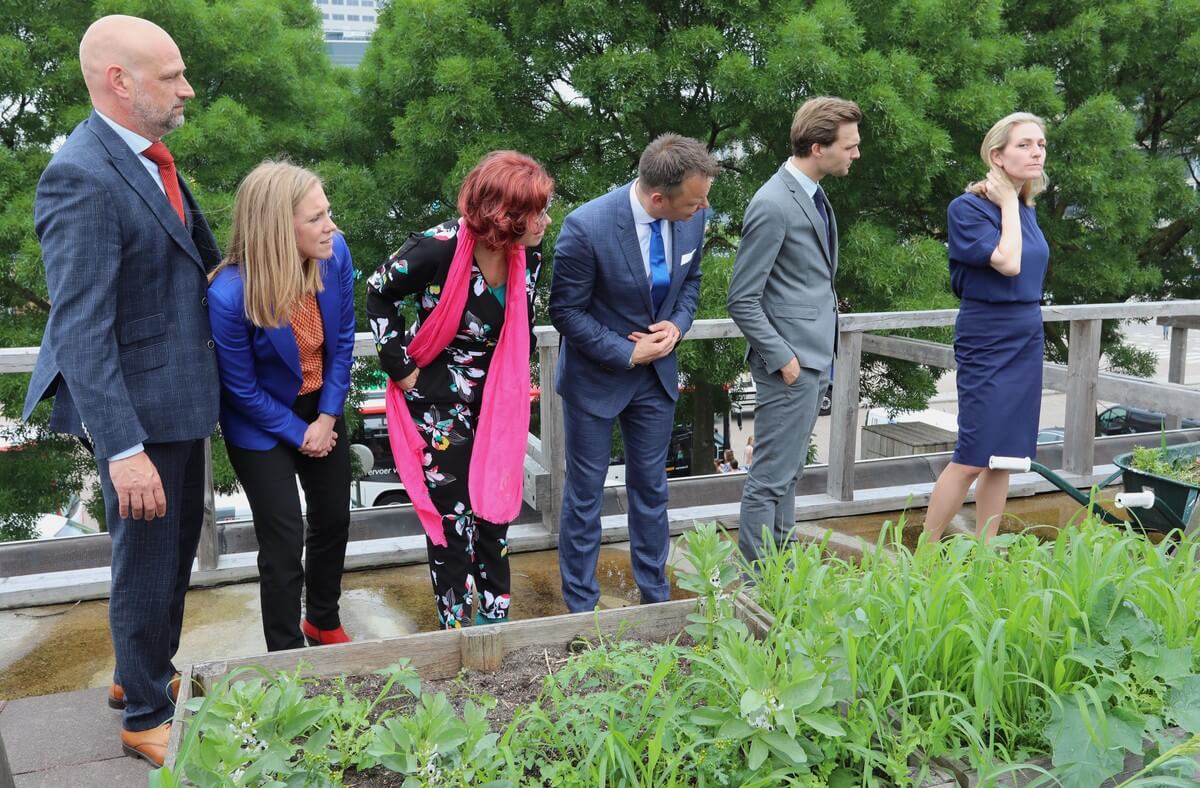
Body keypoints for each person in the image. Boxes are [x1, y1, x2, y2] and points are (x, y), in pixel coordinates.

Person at [20, 15, 220, 766]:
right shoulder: (79, 172)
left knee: (167, 559)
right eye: (172, 76)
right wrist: (123, 447)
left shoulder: (146, 159)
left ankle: (146, 675)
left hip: (174, 396)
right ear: (118, 81)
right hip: (134, 411)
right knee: (147, 564)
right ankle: (142, 714)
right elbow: (80, 329)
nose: (187, 88)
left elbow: (188, 262)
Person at [366, 151, 552, 628]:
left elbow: (518, 325)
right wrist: (399, 365)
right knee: (453, 521)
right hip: (437, 402)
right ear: (505, 216)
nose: (547, 220)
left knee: (493, 512)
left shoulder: (528, 255)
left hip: (496, 401)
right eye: (538, 211)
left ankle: (494, 624)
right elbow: (378, 291)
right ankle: (456, 630)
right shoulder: (438, 248)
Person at [551, 134, 715, 613]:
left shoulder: (694, 217)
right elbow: (566, 313)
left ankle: (655, 599)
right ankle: (581, 610)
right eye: (695, 199)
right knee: (585, 498)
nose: (704, 207)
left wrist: (678, 328)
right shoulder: (585, 227)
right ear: (658, 197)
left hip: (657, 381)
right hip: (597, 381)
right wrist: (628, 353)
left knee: (652, 490)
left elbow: (692, 284)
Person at [207, 162, 356, 651]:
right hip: (260, 423)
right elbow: (241, 390)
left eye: (327, 212)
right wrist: (300, 432)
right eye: (316, 218)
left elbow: (343, 342)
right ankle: (286, 653)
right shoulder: (230, 295)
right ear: (277, 226)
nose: (330, 226)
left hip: (322, 407)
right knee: (284, 539)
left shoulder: (336, 256)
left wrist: (328, 417)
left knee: (333, 516)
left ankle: (322, 619)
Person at [727, 97, 862, 567]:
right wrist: (784, 359)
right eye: (849, 146)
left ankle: (781, 577)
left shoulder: (813, 194)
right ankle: (758, 588)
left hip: (812, 358)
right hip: (791, 365)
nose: (856, 154)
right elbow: (741, 298)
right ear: (817, 147)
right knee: (768, 481)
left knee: (787, 476)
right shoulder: (772, 204)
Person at [922, 113, 1050, 541]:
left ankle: (986, 556)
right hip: (988, 334)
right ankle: (921, 559)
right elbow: (1009, 264)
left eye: (1041, 144)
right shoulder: (967, 208)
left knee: (1006, 457)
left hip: (1026, 333)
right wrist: (1010, 205)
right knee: (973, 454)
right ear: (996, 156)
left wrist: (1016, 204)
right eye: (1025, 144)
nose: (1037, 152)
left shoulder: (1026, 208)